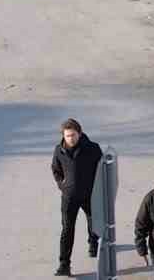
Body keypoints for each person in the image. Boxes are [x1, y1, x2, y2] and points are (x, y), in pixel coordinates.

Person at [51, 118, 103, 277]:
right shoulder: (59, 150)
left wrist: (98, 188)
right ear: (63, 136)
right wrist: (62, 184)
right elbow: (55, 169)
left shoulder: (93, 148)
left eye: (73, 135)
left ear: (79, 134)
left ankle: (93, 243)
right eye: (67, 136)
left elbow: (102, 169)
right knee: (67, 229)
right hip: (69, 197)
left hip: (89, 194)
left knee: (93, 220)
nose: (71, 138)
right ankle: (64, 264)